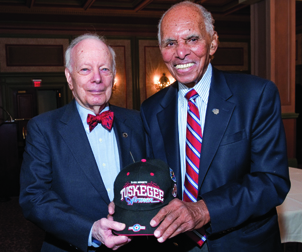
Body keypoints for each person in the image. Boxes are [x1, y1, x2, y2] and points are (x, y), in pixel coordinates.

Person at [140, 1, 290, 252]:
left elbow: (272, 181)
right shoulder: (151, 109)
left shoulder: (256, 95)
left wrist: (203, 210)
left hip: (241, 244)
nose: (181, 52)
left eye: (192, 39)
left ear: (213, 43)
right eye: (170, 43)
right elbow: (155, 181)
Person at [19, 34, 148, 252]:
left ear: (114, 75)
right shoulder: (43, 128)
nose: (97, 78)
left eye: (105, 69)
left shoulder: (137, 121)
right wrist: (91, 230)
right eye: (85, 69)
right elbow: (33, 198)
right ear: (69, 78)